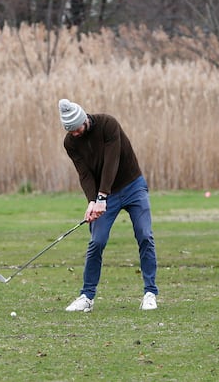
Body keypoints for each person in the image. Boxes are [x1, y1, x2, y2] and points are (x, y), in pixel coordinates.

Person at [58, 98, 158, 312]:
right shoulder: (70, 143)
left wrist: (102, 197)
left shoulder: (108, 125)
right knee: (97, 241)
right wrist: (92, 202)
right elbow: (84, 174)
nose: (75, 133)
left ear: (84, 118)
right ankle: (87, 296)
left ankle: (150, 293)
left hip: (132, 186)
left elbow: (112, 162)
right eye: (70, 131)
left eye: (77, 128)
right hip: (104, 197)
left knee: (144, 235)